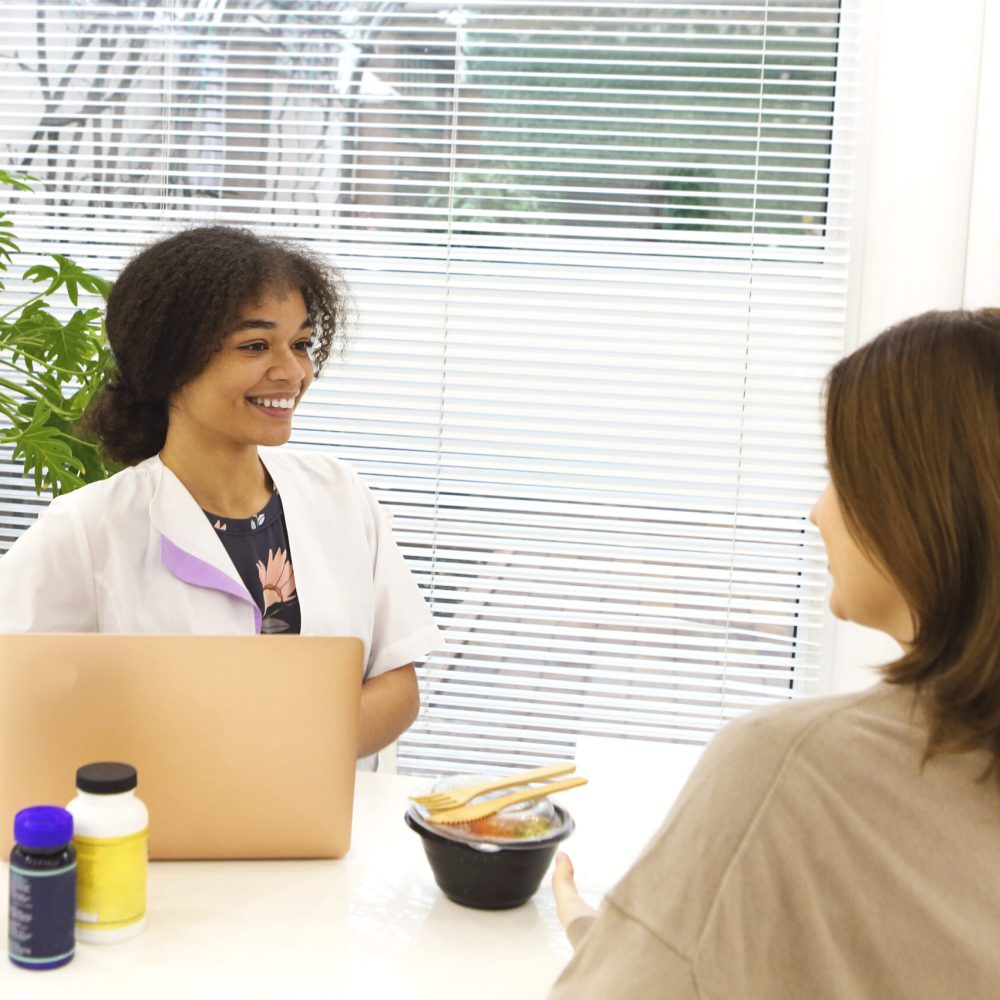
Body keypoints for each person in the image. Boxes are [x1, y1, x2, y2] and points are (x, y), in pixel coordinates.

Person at [549, 308, 1000, 998]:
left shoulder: (791, 768)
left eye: (839, 474)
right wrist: (630, 932)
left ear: (924, 500)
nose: (818, 511)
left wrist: (626, 944)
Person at [0, 225, 443, 769]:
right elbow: (16, 704)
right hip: (161, 837)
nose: (293, 372)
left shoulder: (338, 494)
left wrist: (278, 753)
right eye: (256, 346)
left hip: (330, 835)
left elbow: (397, 683)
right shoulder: (86, 530)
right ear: (170, 363)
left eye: (300, 344)